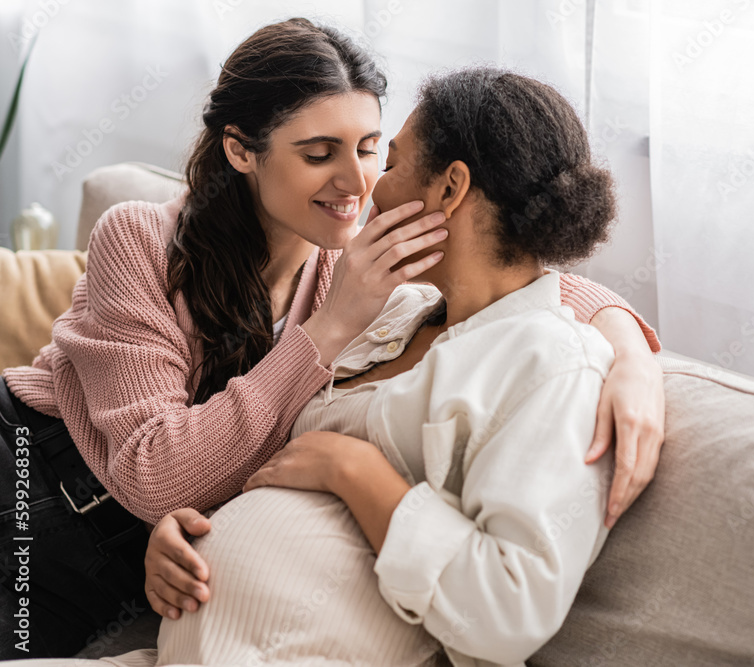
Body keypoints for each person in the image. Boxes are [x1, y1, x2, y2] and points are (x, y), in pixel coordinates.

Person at [0, 19, 663, 659]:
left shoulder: (371, 286)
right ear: (240, 149)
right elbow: (155, 474)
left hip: (129, 557)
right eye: (320, 154)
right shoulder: (141, 241)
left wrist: (629, 350)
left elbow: (515, 280)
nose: (358, 183)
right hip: (31, 474)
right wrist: (330, 326)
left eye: (371, 148)